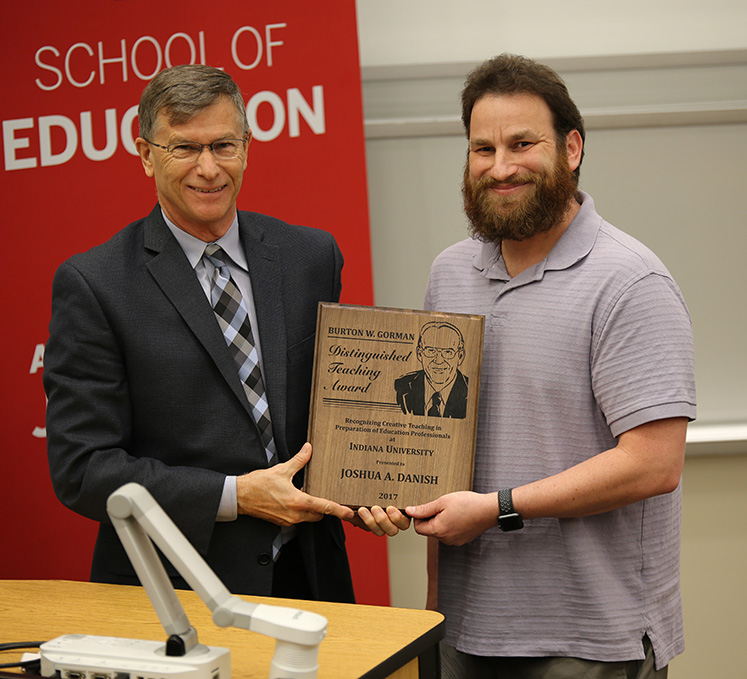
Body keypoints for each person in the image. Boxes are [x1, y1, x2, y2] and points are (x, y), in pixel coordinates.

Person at [43, 64, 391, 601]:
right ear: (145, 155)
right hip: (177, 591)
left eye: (224, 145)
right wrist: (236, 496)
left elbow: (340, 407)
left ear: (247, 146)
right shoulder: (95, 284)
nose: (208, 169)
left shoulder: (310, 257)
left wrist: (375, 481)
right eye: (184, 148)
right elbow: (82, 468)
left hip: (312, 580)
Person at [401, 54, 696, 677]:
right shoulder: (449, 273)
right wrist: (432, 608)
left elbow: (654, 463)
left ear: (571, 148)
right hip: (464, 631)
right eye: (482, 148)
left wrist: (497, 507)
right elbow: (437, 446)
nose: (500, 167)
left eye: (521, 143)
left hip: (589, 638)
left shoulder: (629, 279)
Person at [394, 321, 469, 418]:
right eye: (431, 351)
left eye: (447, 352)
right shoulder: (403, 385)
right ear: (420, 354)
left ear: (460, 356)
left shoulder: (469, 390)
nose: (438, 360)